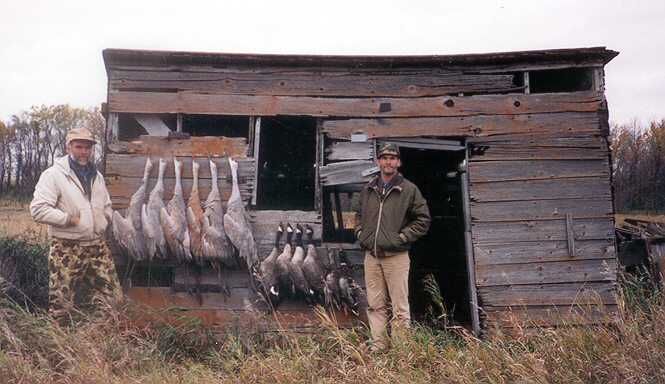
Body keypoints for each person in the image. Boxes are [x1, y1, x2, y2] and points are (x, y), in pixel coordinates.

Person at [30, 127, 122, 320]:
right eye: (79, 146)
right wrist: (68, 219)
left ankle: (99, 338)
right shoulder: (53, 175)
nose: (83, 152)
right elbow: (38, 209)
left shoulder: (97, 176)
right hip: (66, 248)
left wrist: (104, 220)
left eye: (87, 147)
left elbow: (106, 205)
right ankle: (58, 345)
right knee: (61, 304)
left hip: (97, 246)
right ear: (68, 147)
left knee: (113, 297)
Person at [355, 143, 431, 350]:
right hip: (372, 256)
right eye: (384, 157)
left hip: (396, 256)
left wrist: (403, 237)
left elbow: (423, 220)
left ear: (399, 162)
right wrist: (361, 233)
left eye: (392, 158)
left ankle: (402, 350)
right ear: (378, 161)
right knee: (375, 305)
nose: (388, 161)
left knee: (399, 307)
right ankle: (379, 346)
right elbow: (358, 215)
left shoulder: (409, 189)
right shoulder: (368, 189)